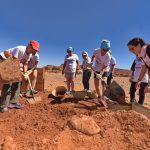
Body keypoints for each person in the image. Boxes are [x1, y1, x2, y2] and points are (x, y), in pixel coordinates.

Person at [0, 40, 40, 112]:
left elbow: (25, 64)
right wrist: (18, 71)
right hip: (4, 59)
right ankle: (3, 106)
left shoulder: (30, 54)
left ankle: (13, 102)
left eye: (35, 50)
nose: (34, 51)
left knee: (18, 80)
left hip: (13, 63)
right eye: (33, 49)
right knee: (8, 81)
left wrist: (25, 73)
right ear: (29, 45)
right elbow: (12, 62)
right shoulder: (19, 49)